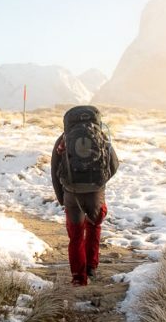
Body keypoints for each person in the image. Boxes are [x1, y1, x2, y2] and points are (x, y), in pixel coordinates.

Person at [50, 106, 119, 286]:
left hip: (71, 194)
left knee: (76, 236)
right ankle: (91, 268)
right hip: (96, 193)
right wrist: (100, 184)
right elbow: (114, 164)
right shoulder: (101, 136)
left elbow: (54, 171)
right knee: (94, 227)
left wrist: (62, 198)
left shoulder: (63, 139)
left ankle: (79, 279)